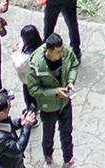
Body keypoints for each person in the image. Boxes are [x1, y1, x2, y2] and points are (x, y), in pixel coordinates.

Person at [26, 33, 80, 166]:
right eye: (58, 52)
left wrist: (70, 81)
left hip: (65, 102)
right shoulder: (36, 64)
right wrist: (55, 92)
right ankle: (48, 155)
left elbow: (74, 64)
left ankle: (68, 159)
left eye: (62, 50)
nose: (62, 54)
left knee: (67, 133)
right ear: (48, 51)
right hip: (48, 107)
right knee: (48, 135)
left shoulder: (65, 51)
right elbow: (33, 89)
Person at [0, 90, 39, 168]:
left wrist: (20, 122)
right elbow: (18, 149)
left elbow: (6, 125)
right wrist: (27, 125)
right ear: (1, 113)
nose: (9, 111)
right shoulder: (1, 138)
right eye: (8, 110)